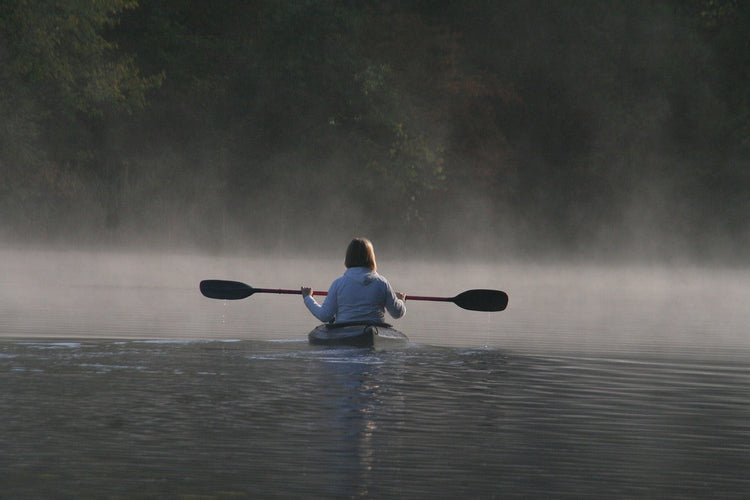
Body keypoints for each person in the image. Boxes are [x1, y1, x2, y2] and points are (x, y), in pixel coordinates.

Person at [301, 238, 406, 324]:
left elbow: (324, 315)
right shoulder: (382, 283)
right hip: (374, 330)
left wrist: (308, 297)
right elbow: (397, 313)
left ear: (348, 258)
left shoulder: (338, 284)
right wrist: (400, 300)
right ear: (371, 258)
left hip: (344, 332)